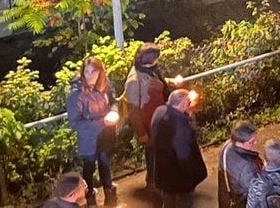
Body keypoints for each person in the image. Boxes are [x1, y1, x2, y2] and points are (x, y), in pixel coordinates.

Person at [66, 56, 118, 206]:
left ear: (100, 72)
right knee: (88, 168)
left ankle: (109, 195)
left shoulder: (105, 84)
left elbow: (114, 101)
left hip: (106, 135)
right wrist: (102, 122)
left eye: (93, 72)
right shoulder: (76, 94)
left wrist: (114, 111)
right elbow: (75, 122)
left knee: (105, 164)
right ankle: (90, 198)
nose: (90, 76)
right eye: (87, 72)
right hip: (89, 138)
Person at [124, 42, 170, 192]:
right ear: (149, 59)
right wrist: (141, 132)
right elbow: (133, 110)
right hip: (148, 122)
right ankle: (153, 182)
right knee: (152, 153)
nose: (158, 60)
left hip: (158, 118)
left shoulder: (149, 70)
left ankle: (159, 179)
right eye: (156, 57)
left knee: (160, 151)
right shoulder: (134, 80)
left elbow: (158, 83)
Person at [150, 89, 207, 207]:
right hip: (180, 179)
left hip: (163, 172)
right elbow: (183, 154)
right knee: (184, 203)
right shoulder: (180, 124)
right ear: (182, 104)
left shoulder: (159, 111)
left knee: (168, 202)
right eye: (188, 102)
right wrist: (192, 173)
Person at [217, 121, 262, 208]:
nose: (255, 143)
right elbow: (254, 192)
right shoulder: (247, 166)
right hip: (240, 202)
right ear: (239, 143)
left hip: (226, 199)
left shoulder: (226, 147)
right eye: (251, 142)